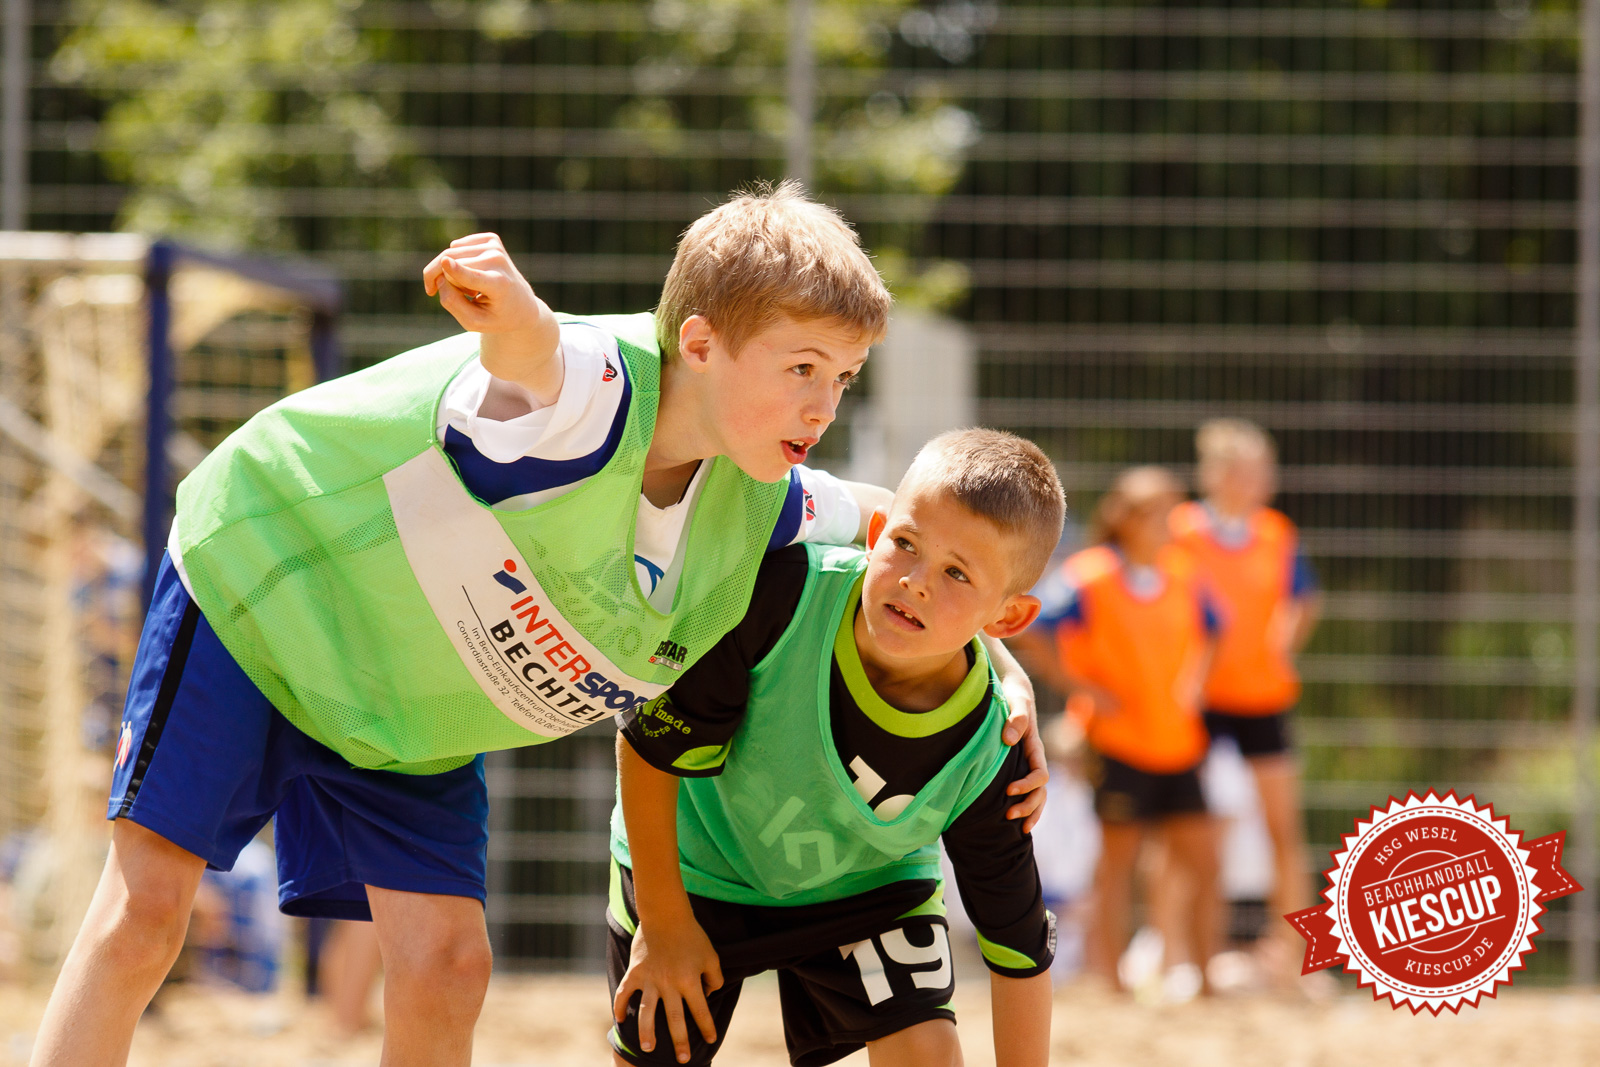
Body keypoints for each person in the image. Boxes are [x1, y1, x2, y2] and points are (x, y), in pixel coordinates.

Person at [31, 183, 1045, 1067]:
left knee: (448, 965)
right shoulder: (596, 391)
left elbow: (914, 535)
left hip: (402, 697)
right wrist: (513, 322)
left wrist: (1005, 667)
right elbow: (541, 368)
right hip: (263, 594)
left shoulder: (765, 495)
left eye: (843, 376)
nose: (823, 401)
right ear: (699, 341)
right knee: (144, 916)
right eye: (802, 367)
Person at [608, 430, 1062, 1067]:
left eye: (957, 573)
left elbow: (1017, 944)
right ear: (875, 532)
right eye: (905, 544)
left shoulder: (993, 743)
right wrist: (662, 924)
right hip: (694, 867)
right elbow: (649, 747)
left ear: (1008, 618)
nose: (917, 582)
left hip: (866, 886)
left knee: (929, 1052)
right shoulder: (778, 598)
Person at [1022, 466, 1221, 993]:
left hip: (1178, 740)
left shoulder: (1183, 572)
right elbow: (1035, 627)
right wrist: (1082, 686)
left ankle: (1205, 978)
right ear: (1128, 518)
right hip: (1119, 742)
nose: (1171, 521)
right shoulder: (1092, 575)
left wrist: (1195, 683)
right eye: (1159, 510)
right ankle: (1109, 979)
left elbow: (1213, 632)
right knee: (1117, 866)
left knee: (1204, 862)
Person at [1170, 418, 1320, 972]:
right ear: (1216, 473)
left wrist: (1280, 645)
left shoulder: (1277, 533)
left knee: (1284, 829)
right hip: (1199, 700)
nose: (1258, 479)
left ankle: (1295, 959)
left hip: (1262, 696)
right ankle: (1178, 955)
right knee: (1185, 830)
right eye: (1245, 468)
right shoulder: (1181, 529)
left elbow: (1304, 599)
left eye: (1262, 469)